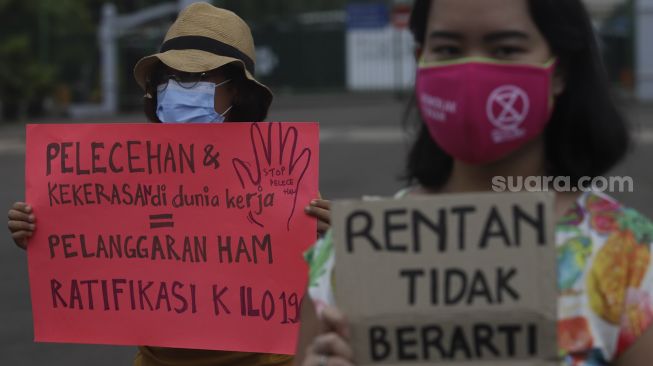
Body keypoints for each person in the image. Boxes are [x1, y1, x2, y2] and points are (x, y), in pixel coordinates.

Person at [295, 0, 653, 365]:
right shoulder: (351, 251)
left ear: (559, 70)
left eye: (505, 49)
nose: (472, 72)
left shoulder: (626, 258)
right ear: (421, 59)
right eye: (448, 49)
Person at [7, 3, 329, 366]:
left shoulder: (280, 174)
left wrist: (327, 240)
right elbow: (102, 248)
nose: (177, 89)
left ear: (236, 90)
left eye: (196, 76)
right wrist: (42, 232)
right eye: (168, 78)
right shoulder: (123, 172)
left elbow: (323, 286)